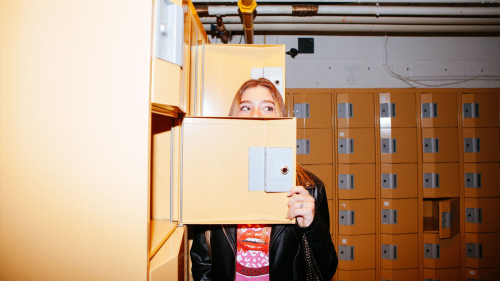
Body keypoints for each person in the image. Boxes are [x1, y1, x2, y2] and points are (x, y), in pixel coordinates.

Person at [190, 78, 338, 281]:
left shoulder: (310, 189)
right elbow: (203, 263)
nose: (256, 115)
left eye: (268, 108)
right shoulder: (215, 182)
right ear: (233, 118)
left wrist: (312, 226)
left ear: (282, 118)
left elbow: (325, 270)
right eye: (245, 107)